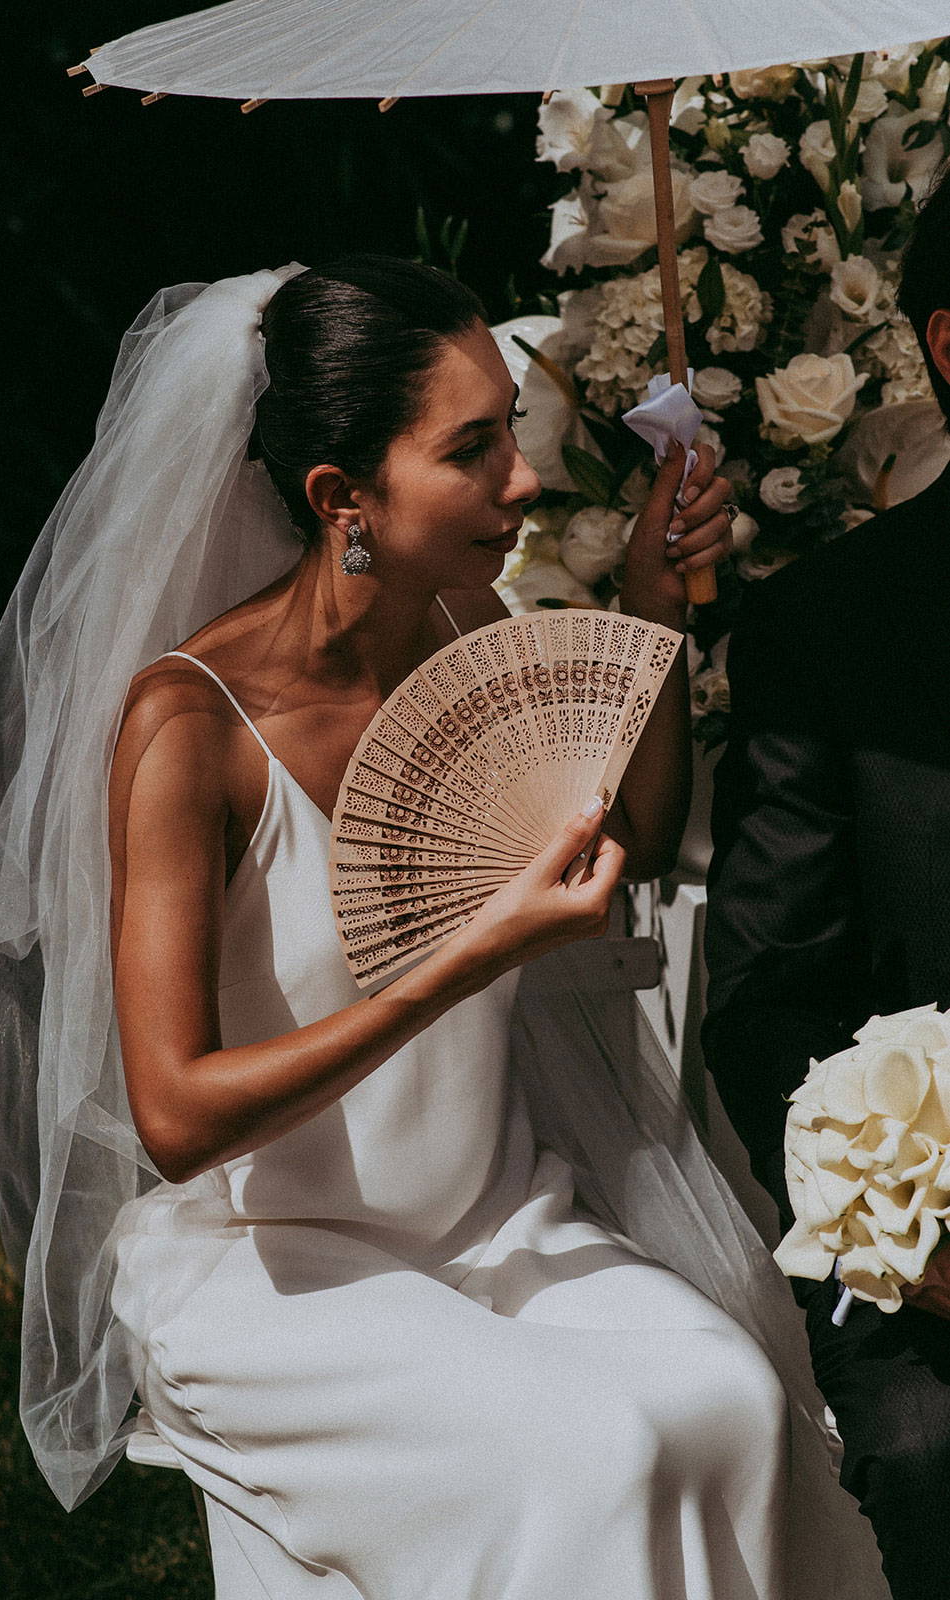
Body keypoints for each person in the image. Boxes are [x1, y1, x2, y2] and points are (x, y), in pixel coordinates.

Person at [0, 255, 886, 1599]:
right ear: (344, 498)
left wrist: (651, 616)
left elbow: (614, 846)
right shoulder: (189, 729)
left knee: (733, 1399)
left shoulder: (463, 626)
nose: (522, 480)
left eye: (512, 431)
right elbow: (173, 1116)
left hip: (499, 1216)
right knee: (605, 1452)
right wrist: (464, 959)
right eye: (472, 449)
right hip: (276, 1266)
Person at [703, 164, 950, 1600]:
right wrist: (911, 1251)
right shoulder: (826, 635)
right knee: (929, 1450)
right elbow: (766, 995)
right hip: (936, 1249)